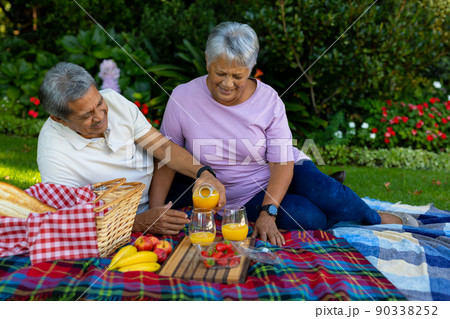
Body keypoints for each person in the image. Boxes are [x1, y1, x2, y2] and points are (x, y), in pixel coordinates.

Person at [150, 21, 410, 246]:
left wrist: (269, 212)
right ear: (207, 60)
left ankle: (373, 217)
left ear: (251, 69)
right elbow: (167, 157)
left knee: (330, 194)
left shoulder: (269, 100)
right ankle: (330, 196)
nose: (227, 83)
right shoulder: (183, 97)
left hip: (283, 170)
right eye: (220, 73)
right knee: (310, 218)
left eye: (237, 76)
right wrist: (155, 213)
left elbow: (282, 163)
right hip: (241, 196)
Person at [37, 62, 226, 235]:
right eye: (86, 115)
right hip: (112, 225)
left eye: (99, 103)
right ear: (59, 119)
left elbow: (162, 148)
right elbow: (68, 221)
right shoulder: (53, 152)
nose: (100, 116)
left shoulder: (114, 101)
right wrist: (139, 223)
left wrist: (204, 173)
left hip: (158, 196)